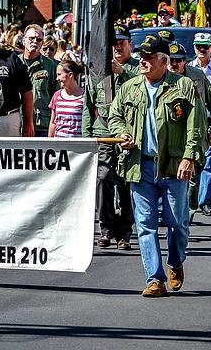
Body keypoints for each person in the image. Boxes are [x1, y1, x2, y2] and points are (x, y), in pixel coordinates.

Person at [108, 34, 204, 298]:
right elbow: (114, 116)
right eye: (142, 57)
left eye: (149, 58)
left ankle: (175, 262)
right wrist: (121, 134)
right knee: (145, 224)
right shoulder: (130, 88)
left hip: (173, 165)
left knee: (178, 222)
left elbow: (196, 126)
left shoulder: (183, 86)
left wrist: (189, 157)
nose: (143, 62)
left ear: (164, 61)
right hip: (140, 165)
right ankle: (155, 279)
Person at [82, 24, 139, 251]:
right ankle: (105, 227)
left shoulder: (136, 68)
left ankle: (124, 232)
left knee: (126, 181)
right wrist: (86, 135)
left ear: (129, 45)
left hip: (128, 132)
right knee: (103, 178)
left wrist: (123, 73)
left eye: (121, 43)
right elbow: (88, 105)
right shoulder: (98, 69)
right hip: (104, 131)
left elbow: (145, 86)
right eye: (113, 43)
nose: (117, 47)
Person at [167, 42, 211, 217]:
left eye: (178, 60)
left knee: (193, 176)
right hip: (169, 135)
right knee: (169, 176)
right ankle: (172, 213)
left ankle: (188, 213)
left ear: (185, 61)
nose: (174, 64)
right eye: (171, 60)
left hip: (194, 133)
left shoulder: (198, 76)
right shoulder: (161, 77)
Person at [0, 25, 34, 136]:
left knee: (10, 153)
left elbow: (27, 92)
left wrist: (28, 122)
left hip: (8, 119)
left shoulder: (11, 58)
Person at [20, 24, 58, 137]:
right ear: (23, 40)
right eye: (31, 38)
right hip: (18, 123)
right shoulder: (15, 62)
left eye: (39, 39)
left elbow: (56, 97)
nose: (35, 41)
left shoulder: (50, 66)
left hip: (41, 124)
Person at [47, 58, 84, 138]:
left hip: (78, 146)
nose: (57, 78)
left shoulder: (84, 97)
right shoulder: (57, 95)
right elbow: (53, 122)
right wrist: (49, 143)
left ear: (70, 75)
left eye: (59, 74)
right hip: (59, 146)